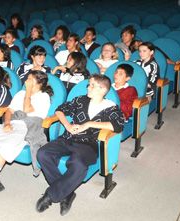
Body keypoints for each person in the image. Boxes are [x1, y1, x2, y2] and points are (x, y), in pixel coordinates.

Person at [35, 75, 125, 216]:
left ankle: (51, 195)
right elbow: (60, 110)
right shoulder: (81, 100)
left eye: (91, 85)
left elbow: (118, 125)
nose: (87, 87)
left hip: (88, 144)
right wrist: (67, 125)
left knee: (77, 163)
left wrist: (88, 124)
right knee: (43, 153)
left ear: (102, 89)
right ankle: (67, 193)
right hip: (68, 137)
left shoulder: (110, 107)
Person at [0, 70, 52, 199]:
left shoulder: (43, 97)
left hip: (28, 127)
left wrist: (28, 91)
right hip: (13, 123)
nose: (26, 81)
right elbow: (9, 111)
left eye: (29, 79)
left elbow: (27, 109)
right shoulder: (21, 93)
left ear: (38, 83)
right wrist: (6, 123)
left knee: (5, 147)